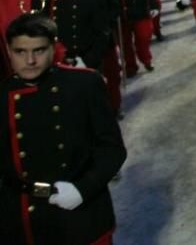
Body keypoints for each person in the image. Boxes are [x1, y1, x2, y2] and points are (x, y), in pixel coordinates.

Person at [0, 14, 127, 245]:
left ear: (53, 48)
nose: (30, 60)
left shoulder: (84, 84)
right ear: (8, 51)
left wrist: (82, 189)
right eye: (20, 52)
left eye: (38, 50)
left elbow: (112, 149)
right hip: (25, 217)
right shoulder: (3, 95)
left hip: (81, 210)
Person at [31, 0, 110, 71]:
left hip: (87, 63)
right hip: (54, 65)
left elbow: (102, 34)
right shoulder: (40, 1)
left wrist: (88, 61)